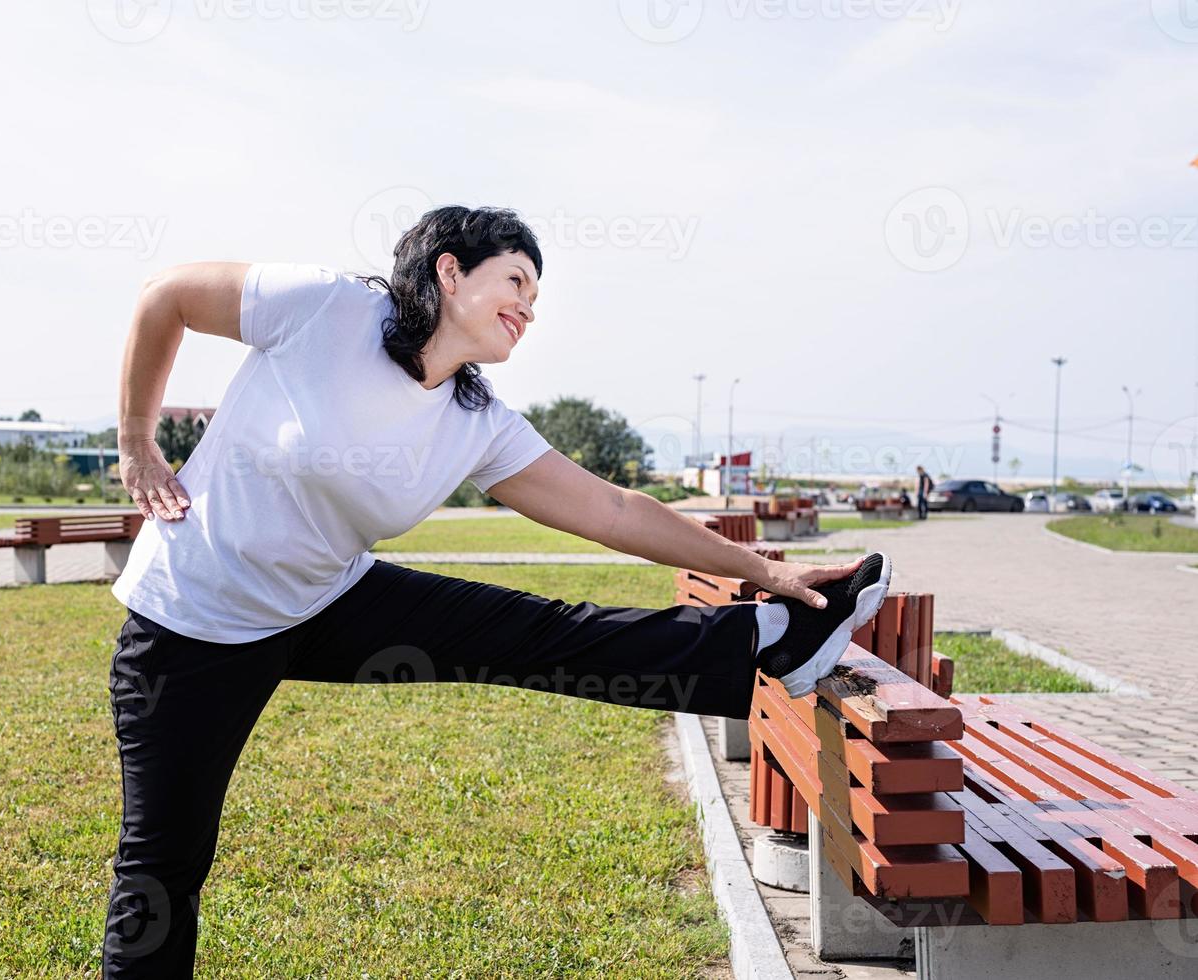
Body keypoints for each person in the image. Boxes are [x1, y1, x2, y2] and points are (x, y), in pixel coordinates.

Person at [102, 206, 893, 977]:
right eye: (515, 280)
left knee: (536, 633)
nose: (528, 307)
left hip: (322, 601)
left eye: (536, 296)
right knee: (164, 862)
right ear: (449, 272)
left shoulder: (473, 418)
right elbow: (164, 294)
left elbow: (614, 509)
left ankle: (763, 637)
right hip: (191, 625)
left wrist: (767, 573)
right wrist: (137, 442)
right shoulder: (326, 307)